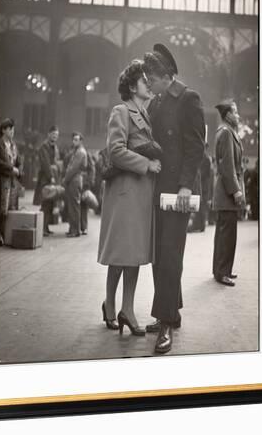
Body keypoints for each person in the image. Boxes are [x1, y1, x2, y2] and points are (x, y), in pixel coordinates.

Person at [144, 43, 205, 354]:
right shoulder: (156, 103)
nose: (148, 85)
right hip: (157, 189)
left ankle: (165, 322)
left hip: (177, 192)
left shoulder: (188, 99)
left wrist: (185, 186)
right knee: (159, 254)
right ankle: (171, 311)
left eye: (151, 79)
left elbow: (196, 149)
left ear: (165, 76)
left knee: (170, 256)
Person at [98, 60, 161, 335]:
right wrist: (146, 164)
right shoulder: (121, 111)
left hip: (140, 195)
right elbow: (115, 150)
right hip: (125, 194)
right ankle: (112, 305)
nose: (149, 84)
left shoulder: (145, 115)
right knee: (122, 254)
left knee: (133, 254)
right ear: (132, 86)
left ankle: (125, 308)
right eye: (144, 80)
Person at [212, 99, 245, 286]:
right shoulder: (225, 133)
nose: (238, 115)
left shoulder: (228, 132)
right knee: (227, 235)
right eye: (236, 112)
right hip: (227, 193)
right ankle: (222, 272)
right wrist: (236, 191)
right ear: (228, 115)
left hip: (226, 193)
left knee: (223, 234)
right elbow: (227, 166)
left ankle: (221, 270)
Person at [0, 118, 23, 245]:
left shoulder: (13, 144)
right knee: (1, 209)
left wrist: (19, 169)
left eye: (13, 129)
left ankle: (6, 234)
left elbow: (19, 160)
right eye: (10, 129)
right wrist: (11, 168)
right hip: (2, 180)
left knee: (10, 207)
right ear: (3, 130)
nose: (12, 131)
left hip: (12, 182)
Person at [33, 125, 60, 236]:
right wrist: (51, 177)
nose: (55, 137)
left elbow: (56, 162)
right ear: (48, 134)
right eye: (53, 134)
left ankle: (46, 227)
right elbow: (45, 164)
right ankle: (43, 228)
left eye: (57, 135)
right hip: (46, 179)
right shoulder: (43, 147)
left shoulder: (55, 147)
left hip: (52, 178)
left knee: (50, 203)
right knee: (45, 203)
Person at [63, 132, 88, 237]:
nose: (74, 142)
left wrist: (65, 179)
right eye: (73, 140)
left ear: (81, 141)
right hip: (73, 180)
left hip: (75, 180)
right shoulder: (76, 151)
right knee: (72, 205)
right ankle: (72, 228)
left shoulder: (80, 152)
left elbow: (73, 168)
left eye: (76, 140)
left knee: (74, 206)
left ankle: (75, 230)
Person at [80, 150, 96, 235]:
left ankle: (84, 227)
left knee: (83, 205)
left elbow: (92, 169)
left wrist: (90, 182)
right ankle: (78, 227)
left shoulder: (86, 153)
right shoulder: (73, 153)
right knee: (76, 206)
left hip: (84, 184)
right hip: (76, 183)